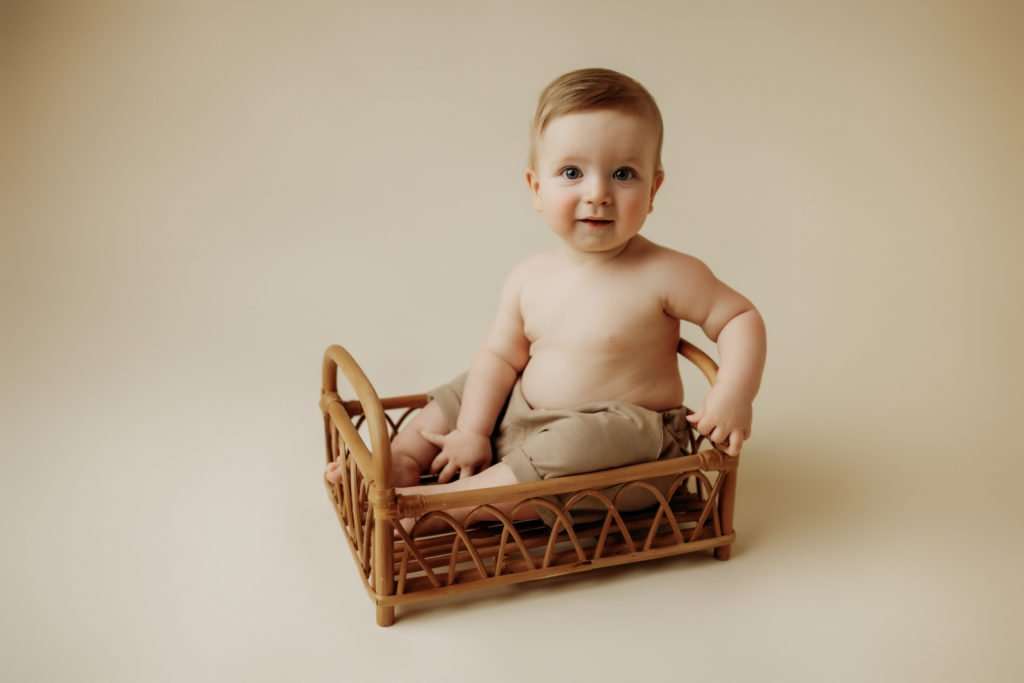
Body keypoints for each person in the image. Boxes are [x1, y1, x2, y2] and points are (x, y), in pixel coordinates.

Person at [325, 67, 767, 532]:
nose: (598, 194)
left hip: (625, 451)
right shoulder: (528, 276)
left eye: (623, 174)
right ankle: (401, 459)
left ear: (654, 190)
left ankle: (442, 508)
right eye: (572, 172)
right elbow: (500, 357)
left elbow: (739, 316)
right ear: (537, 188)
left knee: (577, 442)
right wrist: (473, 430)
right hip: (523, 424)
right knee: (471, 384)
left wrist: (735, 393)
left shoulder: (668, 272)